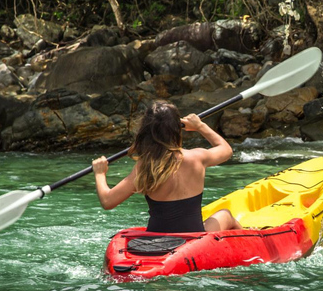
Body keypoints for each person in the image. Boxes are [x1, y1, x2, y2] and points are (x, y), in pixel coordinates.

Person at [92, 100, 242, 233]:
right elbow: (226, 150)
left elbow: (107, 201)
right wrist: (200, 126)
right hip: (195, 237)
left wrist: (100, 173)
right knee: (226, 215)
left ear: (146, 131)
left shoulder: (145, 166)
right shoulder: (197, 157)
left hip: (157, 238)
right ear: (178, 128)